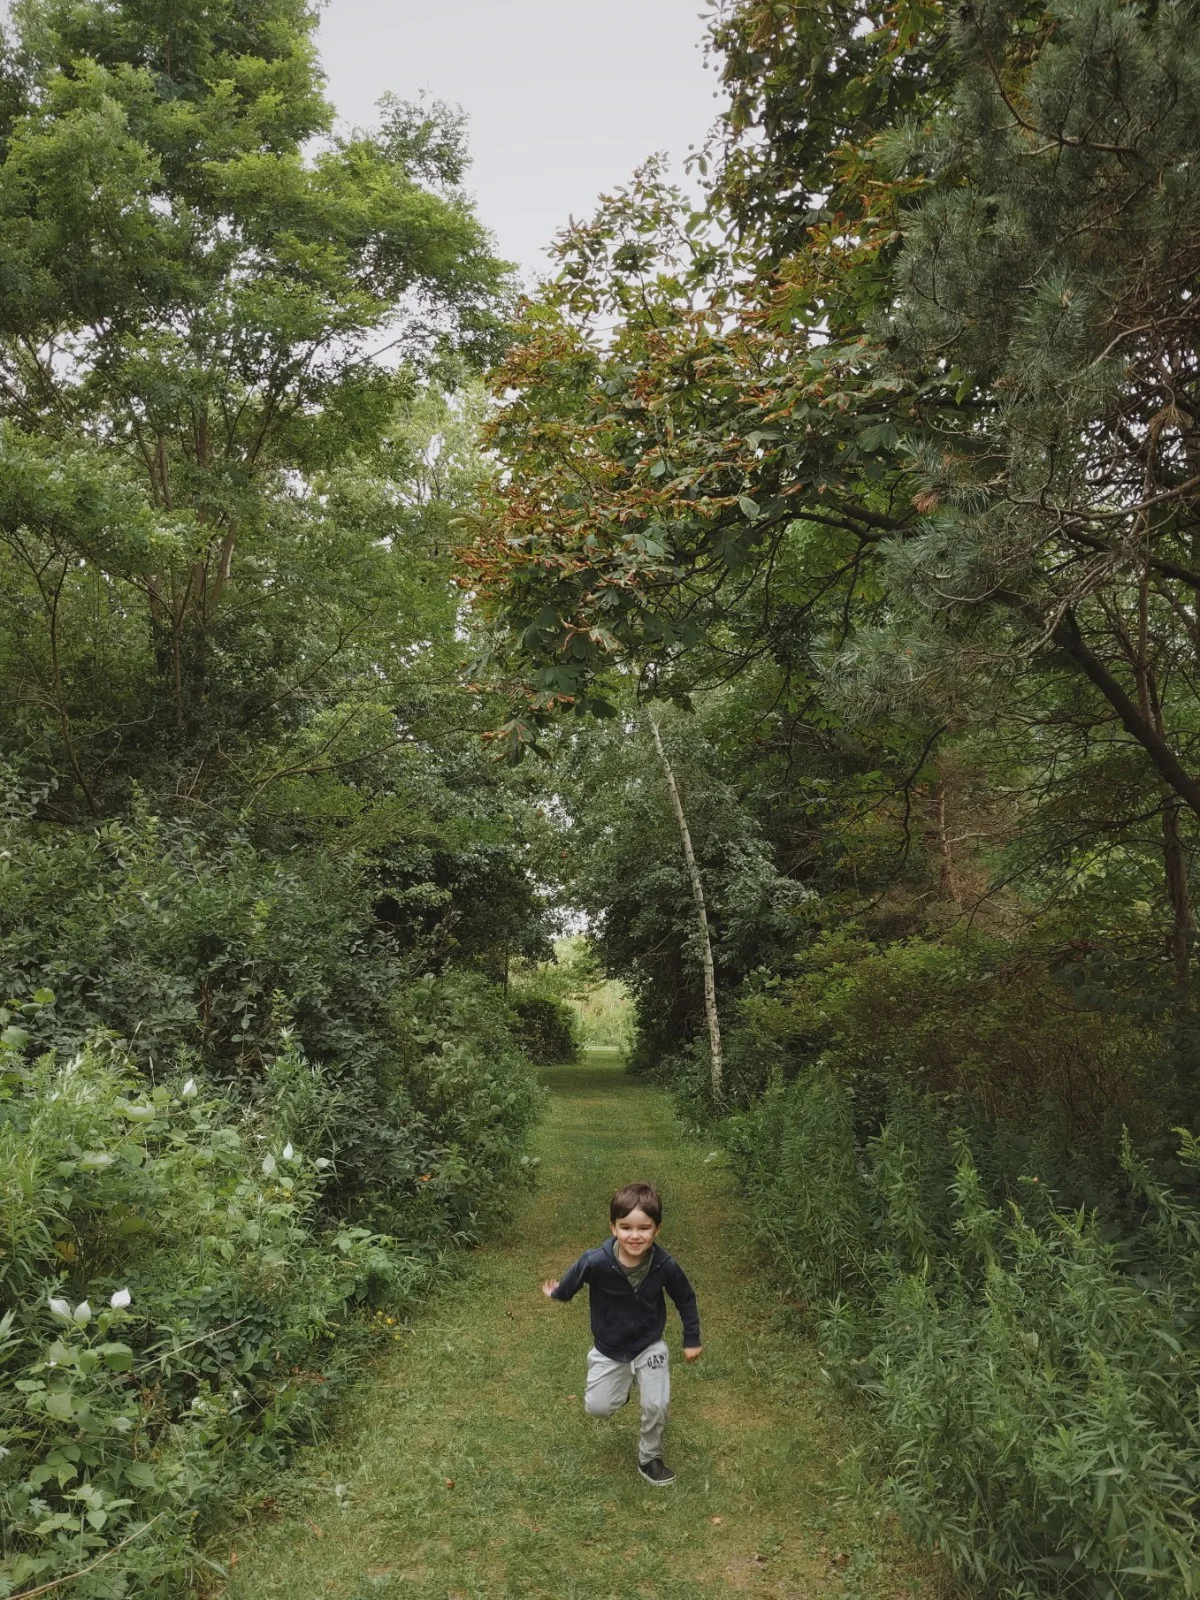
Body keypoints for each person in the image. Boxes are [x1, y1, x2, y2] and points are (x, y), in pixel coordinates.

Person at [540, 1180, 702, 1485]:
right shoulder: (597, 1261)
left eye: (644, 1228)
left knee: (656, 1405)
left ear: (657, 1230)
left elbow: (685, 1298)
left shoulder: (664, 1265)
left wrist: (691, 1337)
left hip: (649, 1344)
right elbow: (574, 1279)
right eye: (626, 1227)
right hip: (609, 1348)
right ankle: (622, 1387)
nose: (635, 1235)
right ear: (613, 1227)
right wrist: (559, 1292)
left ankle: (649, 1458)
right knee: (598, 1408)